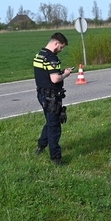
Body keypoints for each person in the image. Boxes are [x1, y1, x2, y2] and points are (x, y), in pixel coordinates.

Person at [33, 32, 74, 164]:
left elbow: (46, 75)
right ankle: (56, 157)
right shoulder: (52, 58)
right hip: (51, 97)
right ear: (56, 43)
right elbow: (55, 79)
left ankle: (41, 146)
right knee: (55, 126)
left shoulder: (39, 55)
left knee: (50, 121)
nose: (60, 50)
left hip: (41, 94)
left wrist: (59, 72)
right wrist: (65, 74)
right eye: (61, 47)